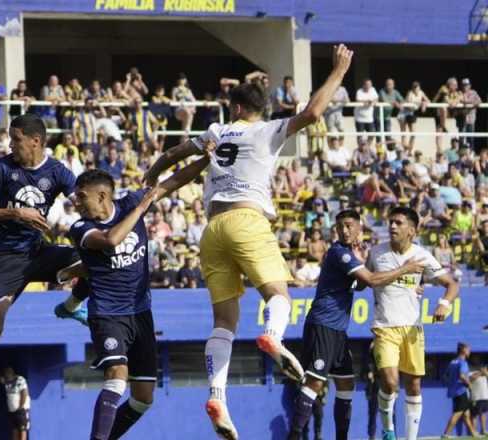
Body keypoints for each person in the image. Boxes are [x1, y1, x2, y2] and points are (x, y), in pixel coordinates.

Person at [141, 44, 355, 440]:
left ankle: (217, 396)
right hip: (247, 220)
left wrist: (152, 177)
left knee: (223, 323)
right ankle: (273, 338)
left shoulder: (217, 132)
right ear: (257, 109)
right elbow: (311, 112)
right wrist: (339, 71)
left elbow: (176, 154)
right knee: (279, 295)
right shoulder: (267, 129)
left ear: (235, 107)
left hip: (212, 230)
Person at [0, 113, 90, 430]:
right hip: (2, 258)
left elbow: (83, 201)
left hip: (36, 253)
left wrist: (92, 222)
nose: (11, 144)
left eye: (15, 139)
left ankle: (71, 306)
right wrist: (16, 213)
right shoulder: (3, 168)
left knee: (95, 254)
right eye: (10, 138)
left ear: (36, 141)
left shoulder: (59, 172)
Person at [68, 165, 205, 440]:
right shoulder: (81, 227)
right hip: (108, 315)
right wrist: (140, 210)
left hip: (141, 313)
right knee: (117, 374)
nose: (76, 203)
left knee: (143, 398)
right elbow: (110, 240)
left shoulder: (130, 202)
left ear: (103, 196)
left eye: (82, 196)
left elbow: (174, 180)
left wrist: (205, 159)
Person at [288, 210, 425, 440]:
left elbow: (361, 285)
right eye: (340, 226)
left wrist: (364, 261)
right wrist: (405, 269)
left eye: (349, 225)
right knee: (315, 382)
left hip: (338, 329)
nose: (344, 230)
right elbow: (371, 280)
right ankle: (293, 436)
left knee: (346, 383)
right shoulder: (339, 253)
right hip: (323, 323)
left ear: (359, 227)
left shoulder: (350, 254)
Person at [368, 206, 459, 440]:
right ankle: (388, 430)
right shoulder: (376, 253)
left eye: (398, 223)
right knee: (389, 382)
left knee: (414, 386)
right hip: (385, 326)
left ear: (412, 230)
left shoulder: (423, 256)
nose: (392, 226)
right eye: (391, 222)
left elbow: (451, 284)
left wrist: (444, 304)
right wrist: (404, 270)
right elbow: (366, 280)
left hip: (412, 329)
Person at [442, 342, 477, 437]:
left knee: (466, 414)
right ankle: (446, 434)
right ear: (463, 350)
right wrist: (468, 384)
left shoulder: (453, 362)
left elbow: (446, 376)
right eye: (468, 349)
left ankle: (474, 434)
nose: (470, 351)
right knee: (457, 413)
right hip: (461, 391)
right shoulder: (463, 362)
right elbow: (462, 376)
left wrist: (452, 383)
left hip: (454, 391)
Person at [0, 367, 30, 440]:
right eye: (5, 373)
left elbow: (24, 393)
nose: (6, 375)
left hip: (22, 410)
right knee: (14, 430)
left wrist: (21, 407)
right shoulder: (6, 380)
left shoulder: (20, 379)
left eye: (8, 372)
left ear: (12, 372)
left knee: (22, 429)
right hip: (12, 411)